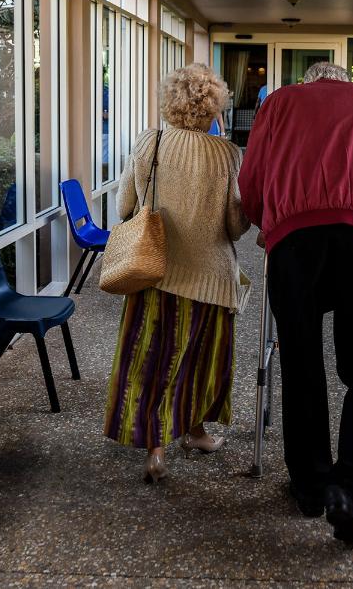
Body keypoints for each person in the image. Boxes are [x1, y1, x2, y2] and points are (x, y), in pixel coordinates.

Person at [238, 62, 353, 543]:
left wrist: (269, 224)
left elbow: (252, 179)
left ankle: (309, 485)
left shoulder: (278, 103)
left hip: (296, 240)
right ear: (345, 80)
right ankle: (351, 487)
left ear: (311, 81)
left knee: (300, 361)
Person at [105, 63, 251, 484]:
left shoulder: (148, 142)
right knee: (202, 361)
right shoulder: (227, 154)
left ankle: (154, 449)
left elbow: (123, 208)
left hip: (154, 271)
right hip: (210, 278)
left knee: (151, 358)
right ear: (213, 107)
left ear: (169, 101)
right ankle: (196, 432)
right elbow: (235, 227)